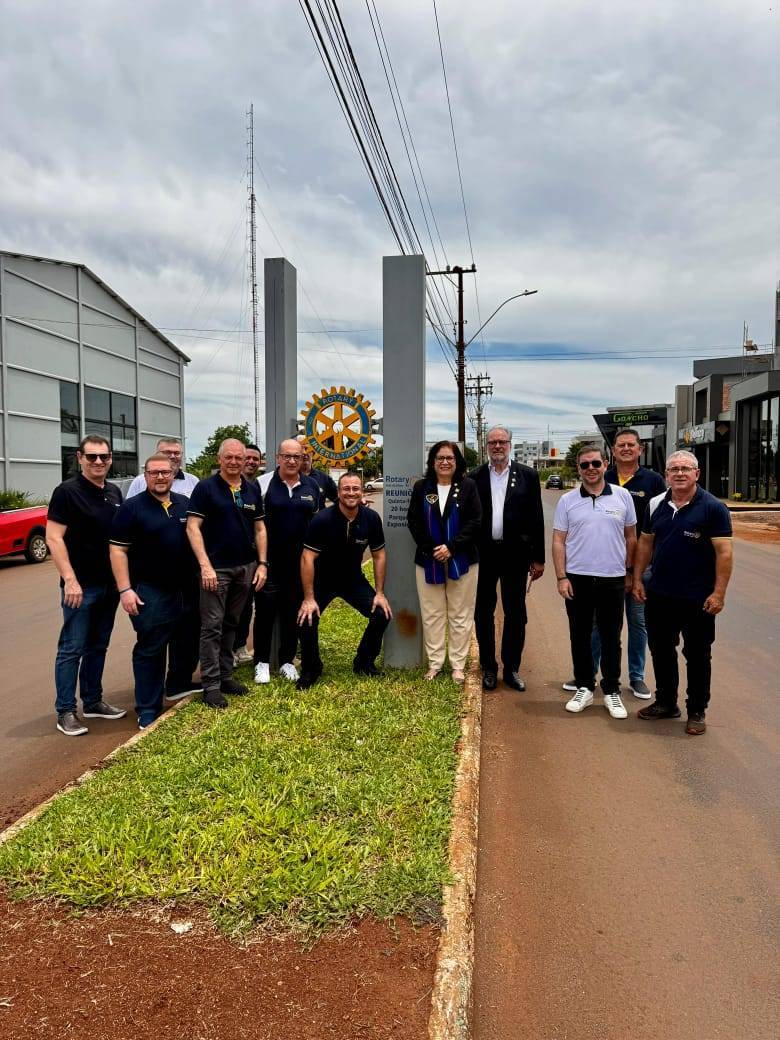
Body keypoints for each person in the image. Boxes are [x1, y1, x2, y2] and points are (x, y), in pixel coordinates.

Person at [633, 450, 733, 735]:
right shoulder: (656, 504)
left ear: (696, 474)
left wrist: (719, 593)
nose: (679, 473)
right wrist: (638, 579)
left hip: (697, 598)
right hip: (660, 595)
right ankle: (666, 703)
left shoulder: (713, 507)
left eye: (685, 469)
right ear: (666, 475)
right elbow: (645, 543)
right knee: (662, 651)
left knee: (698, 654)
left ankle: (697, 710)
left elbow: (724, 553)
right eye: (673, 469)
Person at [564, 428, 667, 699]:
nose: (626, 449)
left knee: (636, 622)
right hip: (603, 571)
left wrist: (637, 570)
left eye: (631, 445)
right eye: (621, 445)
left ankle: (636, 677)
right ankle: (587, 676)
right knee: (600, 626)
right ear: (612, 452)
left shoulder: (653, 480)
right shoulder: (603, 477)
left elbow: (649, 528)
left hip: (639, 567)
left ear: (639, 449)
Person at [110, 454, 200, 728]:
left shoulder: (185, 504)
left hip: (186, 589)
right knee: (151, 647)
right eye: (154, 473)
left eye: (165, 472)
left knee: (187, 639)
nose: (160, 477)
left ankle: (178, 684)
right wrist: (125, 589)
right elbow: (117, 550)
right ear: (145, 475)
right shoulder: (131, 508)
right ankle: (148, 706)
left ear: (173, 474)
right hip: (150, 590)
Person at [46, 434, 127, 736]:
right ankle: (66, 710)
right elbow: (54, 538)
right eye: (91, 456)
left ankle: (93, 701)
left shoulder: (114, 492)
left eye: (103, 457)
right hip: (80, 587)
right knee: (71, 648)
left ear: (110, 459)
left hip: (108, 586)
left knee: (98, 645)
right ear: (79, 457)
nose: (98, 462)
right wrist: (70, 580)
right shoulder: (66, 492)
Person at [552, 444, 637, 719]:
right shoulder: (567, 500)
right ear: (578, 468)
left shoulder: (623, 497)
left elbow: (631, 537)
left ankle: (611, 690)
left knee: (612, 636)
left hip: (613, 578)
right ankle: (585, 686)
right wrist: (561, 576)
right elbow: (558, 541)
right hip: (578, 578)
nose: (591, 469)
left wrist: (629, 572)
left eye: (595, 464)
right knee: (580, 635)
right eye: (585, 465)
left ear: (605, 464)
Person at [186, 439, 267, 708]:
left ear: (246, 460)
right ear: (219, 459)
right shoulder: (206, 488)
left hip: (245, 567)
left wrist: (262, 563)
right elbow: (193, 528)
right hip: (216, 570)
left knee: (232, 623)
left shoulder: (251, 488)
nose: (234, 462)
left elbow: (260, 529)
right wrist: (205, 565)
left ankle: (225, 676)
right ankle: (211, 685)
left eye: (239, 458)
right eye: (229, 457)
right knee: (212, 627)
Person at [296, 472, 392, 689]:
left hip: (352, 579)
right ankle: (312, 668)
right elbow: (307, 558)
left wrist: (379, 593)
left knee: (381, 614)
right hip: (323, 579)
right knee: (306, 618)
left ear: (362, 491)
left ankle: (364, 662)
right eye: (346, 489)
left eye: (355, 489)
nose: (351, 493)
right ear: (338, 493)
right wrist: (309, 598)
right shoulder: (322, 519)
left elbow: (379, 555)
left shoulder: (371, 518)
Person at [471, 426, 545, 692]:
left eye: (502, 442)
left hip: (516, 555)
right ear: (486, 446)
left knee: (516, 613)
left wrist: (538, 558)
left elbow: (537, 517)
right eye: (493, 442)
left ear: (510, 444)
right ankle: (488, 668)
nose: (497, 446)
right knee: (483, 612)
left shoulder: (528, 475)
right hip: (484, 554)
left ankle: (511, 668)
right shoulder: (475, 477)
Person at [407, 441, 481, 682]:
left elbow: (475, 521)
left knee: (460, 614)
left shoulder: (468, 486)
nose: (445, 462)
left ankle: (458, 665)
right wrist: (434, 549)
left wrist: (451, 547)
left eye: (450, 458)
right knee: (432, 614)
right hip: (429, 560)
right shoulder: (421, 488)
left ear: (457, 461)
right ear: (432, 462)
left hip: (463, 560)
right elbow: (414, 522)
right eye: (440, 458)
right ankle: (435, 663)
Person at [250, 439, 319, 685]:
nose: (291, 461)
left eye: (296, 457)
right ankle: (262, 662)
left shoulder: (311, 486)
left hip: (298, 566)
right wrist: (261, 561)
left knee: (292, 614)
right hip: (268, 563)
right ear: (278, 458)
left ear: (302, 460)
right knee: (265, 614)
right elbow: (255, 524)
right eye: (286, 456)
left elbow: (316, 524)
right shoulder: (262, 484)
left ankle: (288, 661)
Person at [233, 443, 264, 665]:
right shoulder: (218, 485)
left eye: (256, 459)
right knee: (226, 610)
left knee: (246, 606)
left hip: (250, 559)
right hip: (224, 561)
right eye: (248, 458)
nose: (251, 462)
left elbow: (259, 525)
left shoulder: (255, 488)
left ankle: (240, 647)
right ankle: (226, 653)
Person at [125, 437, 199, 499]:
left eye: (177, 453)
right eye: (167, 452)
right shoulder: (140, 482)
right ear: (157, 454)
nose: (172, 456)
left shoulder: (193, 481)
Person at [297, 437, 338, 510]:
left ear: (313, 453)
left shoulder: (324, 478)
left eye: (307, 448)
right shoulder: (288, 477)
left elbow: (339, 501)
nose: (304, 453)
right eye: (300, 450)